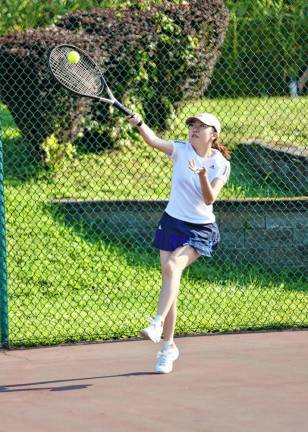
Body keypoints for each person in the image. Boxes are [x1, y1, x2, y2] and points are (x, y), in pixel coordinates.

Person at [127, 112, 231, 374]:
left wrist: (202, 175)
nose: (194, 129)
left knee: (173, 267)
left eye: (201, 126)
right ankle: (168, 347)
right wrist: (139, 123)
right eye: (191, 125)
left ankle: (157, 322)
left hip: (200, 228)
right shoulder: (181, 150)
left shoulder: (221, 164)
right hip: (172, 222)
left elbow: (209, 199)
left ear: (214, 134)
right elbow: (153, 140)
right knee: (169, 282)